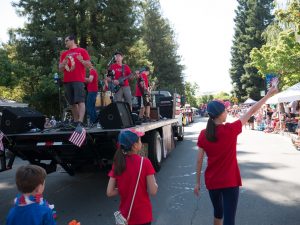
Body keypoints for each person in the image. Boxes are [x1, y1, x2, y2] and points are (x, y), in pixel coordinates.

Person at [194, 85, 277, 225]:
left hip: (212, 181)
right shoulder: (231, 130)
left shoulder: (204, 134)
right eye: (225, 110)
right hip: (230, 181)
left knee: (218, 213)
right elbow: (251, 111)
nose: (227, 112)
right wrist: (268, 95)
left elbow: (199, 161)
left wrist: (197, 183)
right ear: (220, 114)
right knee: (229, 219)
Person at [107, 129, 158, 225]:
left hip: (125, 217)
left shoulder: (117, 164)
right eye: (139, 140)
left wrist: (124, 188)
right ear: (134, 146)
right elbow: (153, 191)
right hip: (143, 216)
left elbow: (109, 192)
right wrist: (155, 185)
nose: (141, 142)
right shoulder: (145, 162)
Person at [59, 34, 91, 127]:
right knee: (72, 103)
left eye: (66, 40)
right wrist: (63, 63)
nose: (65, 43)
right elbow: (60, 68)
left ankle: (80, 121)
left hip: (78, 80)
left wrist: (82, 61)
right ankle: (76, 121)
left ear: (72, 40)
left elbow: (89, 65)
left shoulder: (82, 51)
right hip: (67, 80)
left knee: (80, 101)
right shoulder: (64, 54)